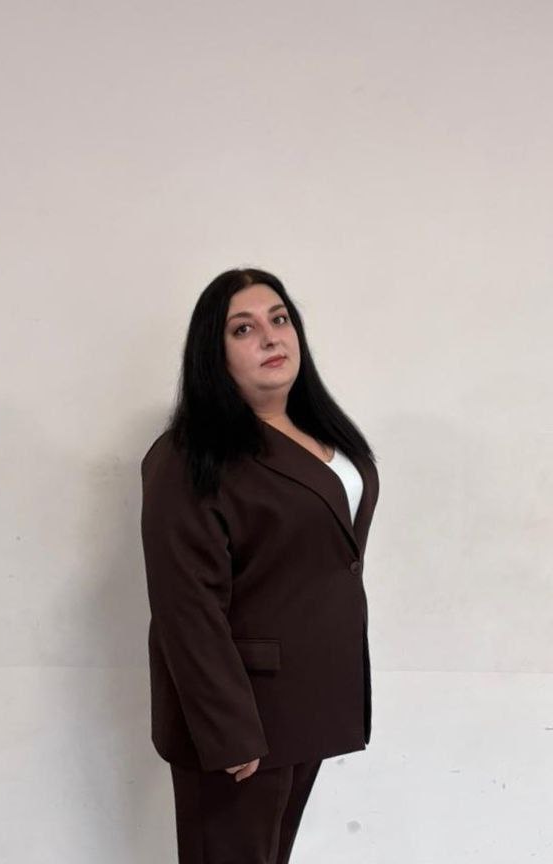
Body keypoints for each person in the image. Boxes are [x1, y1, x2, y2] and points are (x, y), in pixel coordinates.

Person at [139, 267, 380, 863]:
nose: (271, 337)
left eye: (280, 319)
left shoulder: (321, 432)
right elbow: (186, 605)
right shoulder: (189, 457)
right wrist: (228, 729)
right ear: (213, 353)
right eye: (243, 329)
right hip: (241, 715)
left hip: (308, 698)